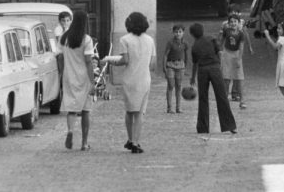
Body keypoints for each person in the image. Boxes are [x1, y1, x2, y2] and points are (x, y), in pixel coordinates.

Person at [103, 12, 156, 154]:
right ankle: (136, 141)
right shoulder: (150, 40)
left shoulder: (124, 40)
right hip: (144, 79)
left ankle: (130, 138)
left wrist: (111, 61)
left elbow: (124, 60)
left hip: (129, 79)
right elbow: (153, 63)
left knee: (129, 111)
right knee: (140, 113)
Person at [58, 9, 95, 151]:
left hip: (69, 75)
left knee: (71, 109)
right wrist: (92, 81)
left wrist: (62, 72)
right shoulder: (86, 39)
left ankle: (70, 131)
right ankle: (84, 143)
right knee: (85, 110)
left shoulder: (64, 38)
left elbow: (60, 57)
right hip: (83, 77)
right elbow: (88, 61)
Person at [189, 23, 237, 134]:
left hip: (202, 71)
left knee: (203, 99)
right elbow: (220, 52)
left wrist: (192, 78)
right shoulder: (211, 38)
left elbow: (195, 64)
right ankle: (229, 125)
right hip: (215, 68)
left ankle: (203, 128)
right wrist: (219, 65)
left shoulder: (194, 46)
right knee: (222, 97)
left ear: (192, 34)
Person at [220, 13, 247, 109]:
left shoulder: (241, 34)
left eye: (235, 21)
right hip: (227, 54)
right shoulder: (226, 31)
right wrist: (220, 51)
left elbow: (241, 47)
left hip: (236, 54)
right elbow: (222, 40)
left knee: (239, 78)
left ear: (238, 23)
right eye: (231, 22)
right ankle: (225, 99)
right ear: (228, 23)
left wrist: (239, 59)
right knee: (226, 78)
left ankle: (242, 100)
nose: (233, 23)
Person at [162, 24, 189, 114]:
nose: (178, 33)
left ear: (183, 33)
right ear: (173, 33)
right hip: (170, 64)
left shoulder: (185, 43)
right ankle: (169, 107)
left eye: (180, 32)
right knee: (170, 85)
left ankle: (178, 107)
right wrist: (164, 67)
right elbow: (165, 55)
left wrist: (185, 65)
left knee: (178, 86)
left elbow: (186, 55)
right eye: (176, 32)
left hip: (180, 65)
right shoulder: (170, 42)